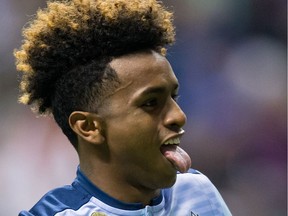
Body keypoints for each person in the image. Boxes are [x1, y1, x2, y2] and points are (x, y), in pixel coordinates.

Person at [15, 0, 231, 215]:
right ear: (89, 127)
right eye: (150, 103)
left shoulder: (198, 192)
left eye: (173, 97)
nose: (179, 116)